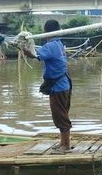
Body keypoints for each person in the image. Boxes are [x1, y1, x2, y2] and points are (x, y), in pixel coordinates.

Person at [22, 20, 73, 153]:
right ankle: (63, 142)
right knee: (60, 114)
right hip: (62, 85)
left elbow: (35, 55)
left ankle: (66, 145)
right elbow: (40, 52)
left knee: (60, 115)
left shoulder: (51, 46)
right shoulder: (57, 44)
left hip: (59, 87)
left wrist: (27, 52)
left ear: (46, 32)